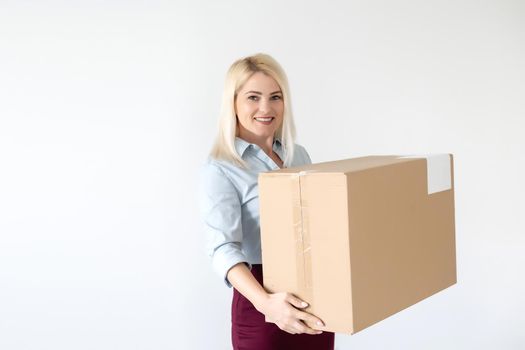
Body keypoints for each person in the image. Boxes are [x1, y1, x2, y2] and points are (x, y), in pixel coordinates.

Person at [198, 53, 335, 350]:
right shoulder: (221, 168)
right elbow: (223, 248)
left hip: (314, 300)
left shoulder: (298, 155)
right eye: (253, 97)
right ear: (232, 103)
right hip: (262, 301)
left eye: (275, 97)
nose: (266, 108)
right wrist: (266, 304)